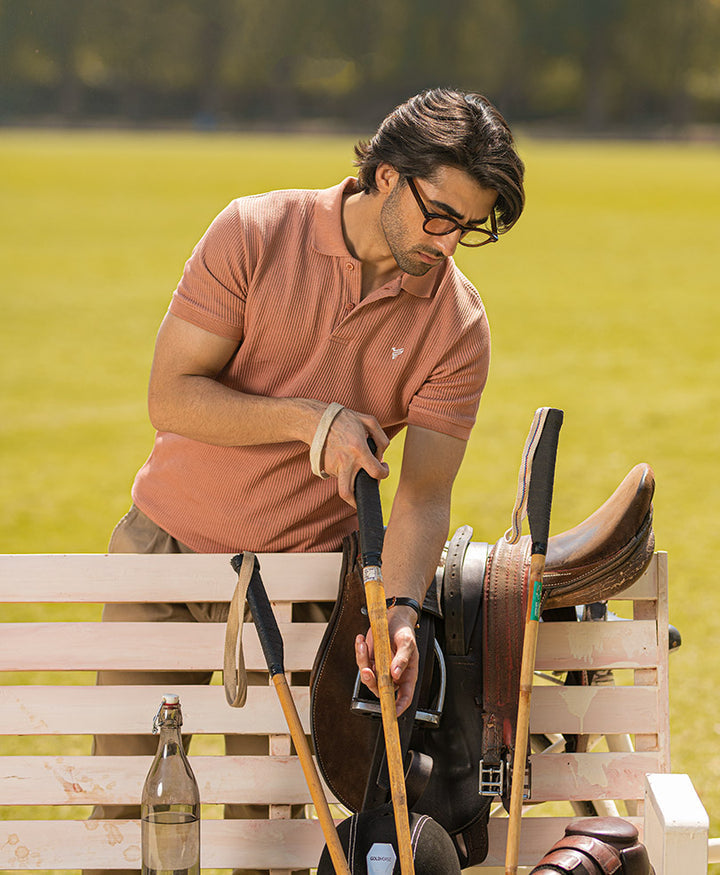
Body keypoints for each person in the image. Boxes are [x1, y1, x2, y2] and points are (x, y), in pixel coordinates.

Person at [90, 87, 525, 875]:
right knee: (125, 809)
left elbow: (423, 496)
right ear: (387, 175)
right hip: (163, 550)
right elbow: (172, 394)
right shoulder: (255, 231)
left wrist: (398, 618)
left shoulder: (458, 324)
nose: (451, 242)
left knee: (274, 831)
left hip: (300, 589)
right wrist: (310, 421)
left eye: (471, 225)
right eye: (441, 215)